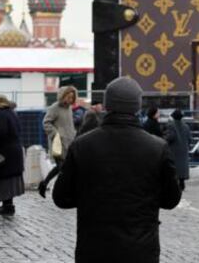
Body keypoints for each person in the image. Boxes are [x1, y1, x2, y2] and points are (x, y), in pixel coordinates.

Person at [53, 77, 182, 263]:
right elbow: (171, 200)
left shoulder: (82, 145)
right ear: (137, 107)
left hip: (93, 250)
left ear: (107, 106)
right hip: (141, 251)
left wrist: (89, 196)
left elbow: (61, 198)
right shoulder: (157, 148)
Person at [39, 85, 77, 198]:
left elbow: (69, 126)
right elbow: (46, 122)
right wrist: (56, 134)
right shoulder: (54, 108)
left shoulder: (69, 108)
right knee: (63, 169)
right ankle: (64, 193)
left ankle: (44, 184)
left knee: (61, 168)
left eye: (72, 97)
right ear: (63, 96)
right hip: (58, 144)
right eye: (68, 97)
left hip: (69, 142)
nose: (70, 99)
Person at [165, 109, 191, 191]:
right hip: (183, 150)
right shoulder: (186, 126)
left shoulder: (171, 125)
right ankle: (182, 183)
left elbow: (170, 137)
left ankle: (175, 185)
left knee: (174, 167)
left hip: (174, 150)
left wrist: (164, 138)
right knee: (182, 167)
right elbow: (189, 139)